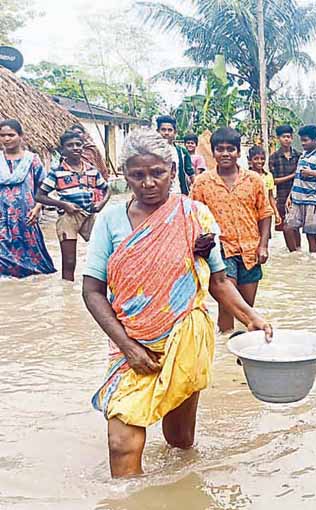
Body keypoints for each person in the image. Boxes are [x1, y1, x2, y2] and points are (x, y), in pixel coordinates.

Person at [82, 129, 272, 478]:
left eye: (158, 173)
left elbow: (218, 282)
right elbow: (92, 290)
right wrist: (127, 347)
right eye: (138, 175)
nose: (149, 183)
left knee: (180, 441)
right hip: (131, 342)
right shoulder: (110, 220)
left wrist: (251, 318)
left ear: (173, 170)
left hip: (185, 337)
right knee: (121, 442)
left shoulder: (195, 216)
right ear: (126, 175)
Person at [190, 127, 273, 332]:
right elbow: (193, 217)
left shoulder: (254, 180)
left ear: (238, 152)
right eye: (220, 149)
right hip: (220, 250)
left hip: (250, 250)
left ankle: (243, 351)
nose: (225, 154)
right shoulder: (202, 183)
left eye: (230, 149)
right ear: (213, 152)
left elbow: (265, 213)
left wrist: (263, 246)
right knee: (226, 305)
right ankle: (225, 346)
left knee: (247, 307)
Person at [36, 130, 110, 281]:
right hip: (68, 218)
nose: (75, 148)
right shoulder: (57, 172)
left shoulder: (91, 170)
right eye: (70, 145)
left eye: (78, 144)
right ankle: (67, 294)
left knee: (104, 254)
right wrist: (63, 204)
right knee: (69, 262)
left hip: (89, 216)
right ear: (62, 150)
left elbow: (107, 189)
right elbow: (39, 196)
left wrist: (101, 203)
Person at [0, 119, 56, 278]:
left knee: (33, 262)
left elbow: (43, 187)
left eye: (11, 135)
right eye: (2, 135)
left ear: (21, 136)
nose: (6, 139)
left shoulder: (32, 160)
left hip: (27, 216)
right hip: (2, 217)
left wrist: (38, 208)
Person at [284, 125, 316, 253]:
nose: (303, 143)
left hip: (312, 201)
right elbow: (297, 178)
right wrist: (289, 197)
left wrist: (313, 173)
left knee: (310, 235)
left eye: (306, 140)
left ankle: (313, 262)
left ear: (315, 140)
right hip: (297, 200)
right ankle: (295, 257)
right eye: (301, 140)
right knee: (288, 228)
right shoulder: (302, 156)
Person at [269, 125, 300, 245]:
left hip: (297, 196)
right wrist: (292, 176)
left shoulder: (298, 156)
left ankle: (298, 252)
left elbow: (301, 178)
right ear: (278, 139)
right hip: (281, 197)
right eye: (284, 137)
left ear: (292, 138)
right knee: (285, 228)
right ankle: (292, 253)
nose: (287, 139)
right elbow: (273, 181)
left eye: (289, 137)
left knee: (296, 227)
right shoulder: (274, 158)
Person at [156, 115, 194, 195]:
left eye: (170, 130)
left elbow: (191, 174)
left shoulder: (182, 152)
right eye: (163, 130)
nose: (166, 133)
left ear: (175, 132)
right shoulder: (150, 151)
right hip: (157, 195)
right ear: (157, 131)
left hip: (178, 194)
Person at [248, 146, 281, 228]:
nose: (260, 161)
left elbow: (270, 196)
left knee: (265, 236)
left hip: (265, 213)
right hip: (251, 213)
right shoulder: (246, 176)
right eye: (256, 159)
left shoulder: (268, 176)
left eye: (262, 159)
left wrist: (276, 213)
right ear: (250, 159)